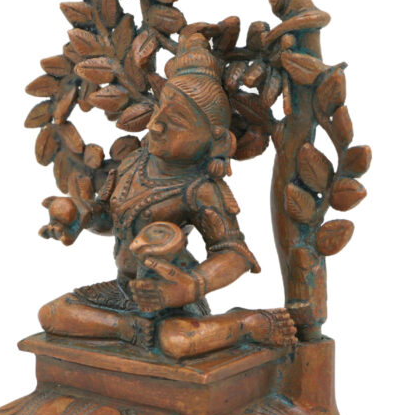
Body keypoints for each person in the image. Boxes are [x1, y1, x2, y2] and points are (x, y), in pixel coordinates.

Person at [37, 34, 296, 359]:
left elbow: (234, 254)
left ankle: (246, 323)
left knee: (176, 340)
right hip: (125, 292)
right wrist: (80, 216)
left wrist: (191, 286)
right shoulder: (133, 165)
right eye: (159, 111)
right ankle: (127, 329)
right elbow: (111, 219)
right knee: (53, 313)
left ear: (216, 140)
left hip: (173, 301)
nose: (156, 125)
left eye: (176, 121)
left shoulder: (200, 189)